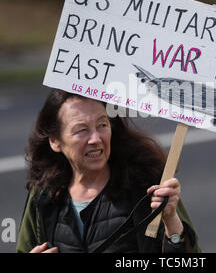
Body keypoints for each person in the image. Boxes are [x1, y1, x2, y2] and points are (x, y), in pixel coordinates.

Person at [16, 89, 200, 253]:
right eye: (81, 130)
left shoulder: (148, 185)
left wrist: (172, 222)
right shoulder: (44, 193)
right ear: (55, 141)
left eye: (102, 125)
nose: (95, 138)